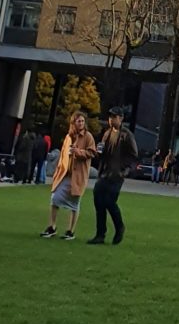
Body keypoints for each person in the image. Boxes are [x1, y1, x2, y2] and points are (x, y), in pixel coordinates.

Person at [41, 112, 97, 240]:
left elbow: (92, 153)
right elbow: (62, 155)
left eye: (82, 121)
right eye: (78, 121)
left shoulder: (88, 136)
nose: (81, 123)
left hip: (77, 176)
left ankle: (70, 231)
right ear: (73, 123)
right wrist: (58, 170)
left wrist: (78, 152)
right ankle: (52, 227)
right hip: (65, 174)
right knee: (54, 198)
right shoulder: (68, 136)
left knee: (74, 203)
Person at [88, 106, 138, 247]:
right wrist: (99, 153)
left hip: (117, 175)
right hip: (104, 173)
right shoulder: (107, 133)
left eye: (114, 117)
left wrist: (125, 171)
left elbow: (134, 156)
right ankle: (100, 234)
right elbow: (102, 153)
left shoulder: (126, 135)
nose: (111, 119)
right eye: (110, 117)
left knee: (109, 201)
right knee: (99, 202)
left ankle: (119, 227)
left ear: (121, 118)